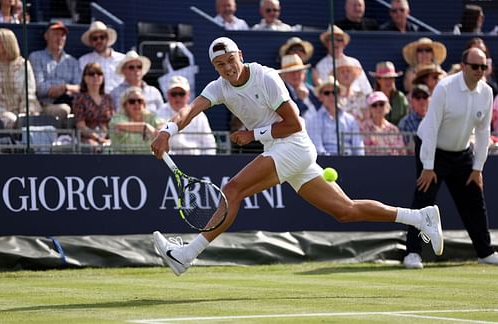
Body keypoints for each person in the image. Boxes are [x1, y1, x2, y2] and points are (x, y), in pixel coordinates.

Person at [150, 37, 443, 276]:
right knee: (345, 211)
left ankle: (187, 254)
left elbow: (294, 124)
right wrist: (168, 130)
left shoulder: (266, 78)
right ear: (214, 67)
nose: (227, 68)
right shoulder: (218, 87)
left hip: (293, 145)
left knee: (232, 190)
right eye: (220, 65)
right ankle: (419, 217)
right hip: (282, 151)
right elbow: (191, 109)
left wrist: (253, 135)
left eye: (230, 60)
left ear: (240, 54)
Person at [403, 48, 498, 269]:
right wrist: (428, 165)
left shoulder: (486, 92)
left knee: (475, 201)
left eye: (483, 67)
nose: (479, 71)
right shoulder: (444, 88)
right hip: (432, 149)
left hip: (463, 153)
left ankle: (484, 252)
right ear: (463, 66)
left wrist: (478, 167)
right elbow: (432, 128)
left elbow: (483, 132)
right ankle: (412, 253)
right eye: (475, 66)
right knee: (423, 201)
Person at [29, 21, 81, 121]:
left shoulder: (72, 61)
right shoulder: (36, 57)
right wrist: (64, 88)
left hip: (70, 102)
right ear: (46, 36)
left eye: (62, 35)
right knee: (64, 109)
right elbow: (39, 88)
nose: (59, 38)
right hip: (45, 105)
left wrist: (64, 88)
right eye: (56, 34)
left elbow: (80, 87)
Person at [156, 76, 216, 155]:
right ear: (167, 95)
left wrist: (205, 163)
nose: (178, 97)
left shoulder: (200, 115)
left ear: (188, 95)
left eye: (181, 94)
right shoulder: (159, 112)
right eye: (174, 94)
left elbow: (209, 144)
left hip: (196, 160)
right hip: (168, 159)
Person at [305, 75, 364, 156]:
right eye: (327, 93)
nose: (331, 96)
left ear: (339, 95)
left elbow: (358, 148)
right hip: (326, 164)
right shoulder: (314, 121)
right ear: (320, 97)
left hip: (351, 163)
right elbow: (318, 149)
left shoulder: (351, 120)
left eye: (335, 92)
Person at [0, 28, 41, 128]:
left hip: (22, 110)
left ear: (7, 44)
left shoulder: (23, 65)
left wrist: (25, 113)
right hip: (1, 113)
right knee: (10, 118)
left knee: (28, 119)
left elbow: (29, 92)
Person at [314, 25, 372, 96]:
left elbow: (367, 90)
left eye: (339, 40)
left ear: (344, 44)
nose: (336, 43)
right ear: (326, 44)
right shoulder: (321, 66)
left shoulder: (354, 63)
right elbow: (325, 93)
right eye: (332, 39)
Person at [109, 87, 163, 153]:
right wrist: (145, 127)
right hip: (120, 159)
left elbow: (161, 128)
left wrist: (160, 130)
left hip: (148, 159)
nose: (136, 104)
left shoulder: (151, 117)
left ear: (144, 104)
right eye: (132, 101)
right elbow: (118, 125)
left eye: (140, 101)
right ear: (125, 104)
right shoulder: (118, 117)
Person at [72, 63, 114, 146]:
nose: (95, 77)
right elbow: (81, 126)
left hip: (107, 137)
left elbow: (112, 122)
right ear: (85, 78)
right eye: (91, 74)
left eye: (99, 74)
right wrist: (98, 139)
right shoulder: (80, 99)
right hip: (88, 140)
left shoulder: (108, 98)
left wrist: (109, 139)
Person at [79, 21, 125, 93]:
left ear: (107, 39)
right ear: (91, 41)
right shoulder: (84, 61)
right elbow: (82, 86)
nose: (99, 41)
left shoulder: (123, 59)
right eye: (95, 38)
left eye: (102, 37)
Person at [360, 91, 405, 155]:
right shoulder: (362, 128)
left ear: (387, 106)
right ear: (369, 109)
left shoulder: (393, 129)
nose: (378, 108)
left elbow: (401, 153)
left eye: (381, 104)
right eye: (374, 105)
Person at [278, 54, 320, 119]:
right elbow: (290, 117)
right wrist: (300, 100)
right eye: (291, 72)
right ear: (283, 75)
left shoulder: (312, 90)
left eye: (298, 71)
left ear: (304, 73)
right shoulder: (281, 93)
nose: (295, 75)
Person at [369, 61, 408, 125]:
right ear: (378, 80)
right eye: (385, 78)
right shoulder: (371, 98)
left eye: (391, 78)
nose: (388, 81)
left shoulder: (400, 98)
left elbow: (405, 118)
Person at [335, 56, 369, 123]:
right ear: (337, 76)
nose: (346, 74)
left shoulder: (361, 96)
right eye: (342, 72)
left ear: (354, 75)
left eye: (348, 71)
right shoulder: (334, 97)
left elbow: (367, 118)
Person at [397, 84, 430, 152]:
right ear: (412, 101)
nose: (422, 101)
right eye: (418, 98)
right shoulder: (405, 123)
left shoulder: (437, 120)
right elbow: (403, 149)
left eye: (425, 97)